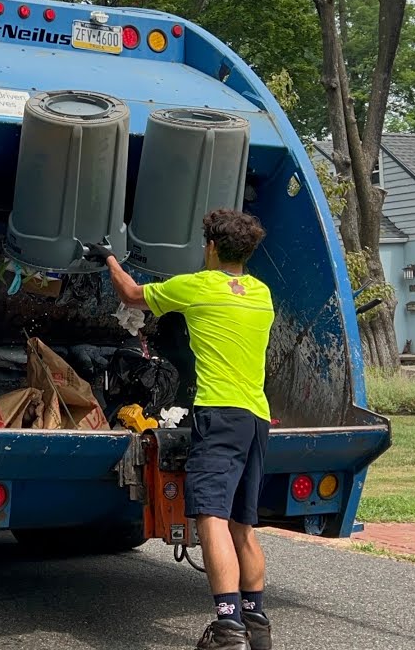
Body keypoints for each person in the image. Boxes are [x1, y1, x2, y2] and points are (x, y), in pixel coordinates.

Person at [88, 208, 275, 650]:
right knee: (242, 524)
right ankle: (257, 622)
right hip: (256, 417)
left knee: (210, 515)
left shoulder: (197, 287)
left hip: (220, 415)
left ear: (210, 247)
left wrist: (109, 259)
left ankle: (228, 627)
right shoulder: (261, 293)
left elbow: (133, 294)